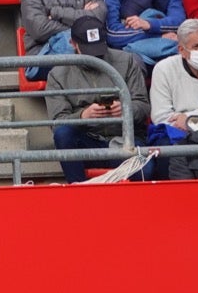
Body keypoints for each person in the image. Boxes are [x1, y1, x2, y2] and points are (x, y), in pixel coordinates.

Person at [46, 14, 148, 184]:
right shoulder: (58, 73)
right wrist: (83, 117)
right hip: (88, 140)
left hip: (125, 139)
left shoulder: (127, 61)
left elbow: (143, 106)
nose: (95, 56)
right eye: (88, 50)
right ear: (73, 44)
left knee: (146, 170)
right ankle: (77, 191)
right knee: (63, 134)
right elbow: (58, 122)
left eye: (98, 49)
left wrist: (125, 110)